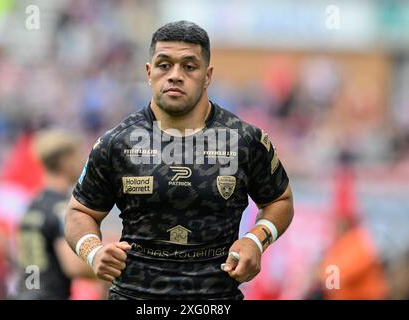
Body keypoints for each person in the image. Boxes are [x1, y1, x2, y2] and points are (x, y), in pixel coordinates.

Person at [65, 20, 294, 300]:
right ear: (149, 73)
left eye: (188, 66)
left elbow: (280, 201)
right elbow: (80, 212)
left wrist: (255, 240)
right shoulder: (116, 142)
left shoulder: (245, 140)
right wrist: (93, 251)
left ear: (207, 75)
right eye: (164, 65)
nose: (175, 75)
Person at [16, 130, 94, 299]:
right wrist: (110, 267)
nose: (83, 162)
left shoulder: (32, 205)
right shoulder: (62, 209)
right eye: (79, 156)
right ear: (65, 161)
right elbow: (73, 265)